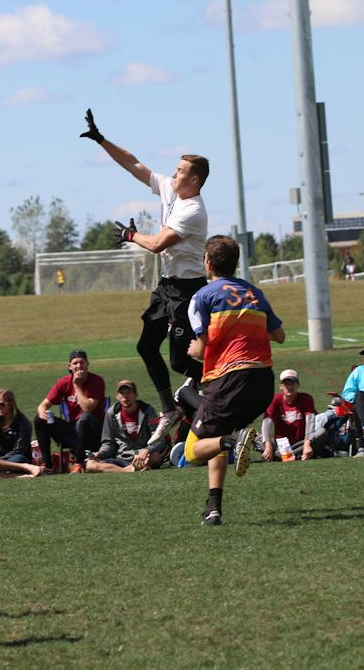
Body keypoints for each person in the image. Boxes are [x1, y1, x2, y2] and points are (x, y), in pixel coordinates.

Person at [79, 108, 208, 445]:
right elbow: (135, 164)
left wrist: (131, 236)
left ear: (194, 180)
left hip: (188, 290)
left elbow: (157, 244)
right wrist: (101, 140)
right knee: (146, 346)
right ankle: (169, 409)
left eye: (180, 171)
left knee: (179, 361)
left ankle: (218, 385)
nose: (174, 173)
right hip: (167, 286)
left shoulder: (193, 210)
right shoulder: (171, 190)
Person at [180, 235, 285, 525]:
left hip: (228, 380)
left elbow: (200, 349)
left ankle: (235, 440)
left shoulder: (202, 296)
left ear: (208, 263)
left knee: (192, 450)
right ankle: (214, 506)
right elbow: (280, 335)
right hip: (263, 382)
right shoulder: (254, 293)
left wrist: (193, 350)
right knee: (217, 438)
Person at [34, 349, 106, 473]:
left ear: (87, 364)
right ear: (69, 366)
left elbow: (88, 408)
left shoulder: (96, 381)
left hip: (93, 432)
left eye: (82, 362)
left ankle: (79, 463)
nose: (79, 366)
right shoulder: (63, 383)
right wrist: (42, 412)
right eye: (75, 363)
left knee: (84, 418)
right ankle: (48, 465)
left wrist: (77, 385)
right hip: (73, 430)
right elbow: (43, 405)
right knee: (39, 420)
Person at [86, 379, 167, 473]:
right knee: (90, 464)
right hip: (121, 457)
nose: (125, 396)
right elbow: (108, 443)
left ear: (136, 395)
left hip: (142, 457)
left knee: (155, 457)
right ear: (117, 396)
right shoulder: (111, 413)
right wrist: (99, 454)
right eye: (122, 393)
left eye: (129, 392)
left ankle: (125, 469)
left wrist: (146, 450)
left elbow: (159, 439)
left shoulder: (148, 411)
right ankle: (127, 470)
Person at [261, 369, 316, 461]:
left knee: (322, 432)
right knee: (256, 437)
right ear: (280, 386)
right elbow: (267, 422)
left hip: (301, 442)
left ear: (298, 385)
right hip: (281, 444)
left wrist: (307, 444)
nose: (290, 386)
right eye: (286, 383)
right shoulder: (275, 400)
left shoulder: (306, 398)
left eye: (292, 383)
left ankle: (281, 455)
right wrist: (268, 446)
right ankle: (288, 454)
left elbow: (310, 420)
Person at [0, 389, 33, 463]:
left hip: (14, 460)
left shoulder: (23, 423)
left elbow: (19, 450)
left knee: (19, 458)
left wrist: (0, 461)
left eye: (2, 404)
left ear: (11, 404)